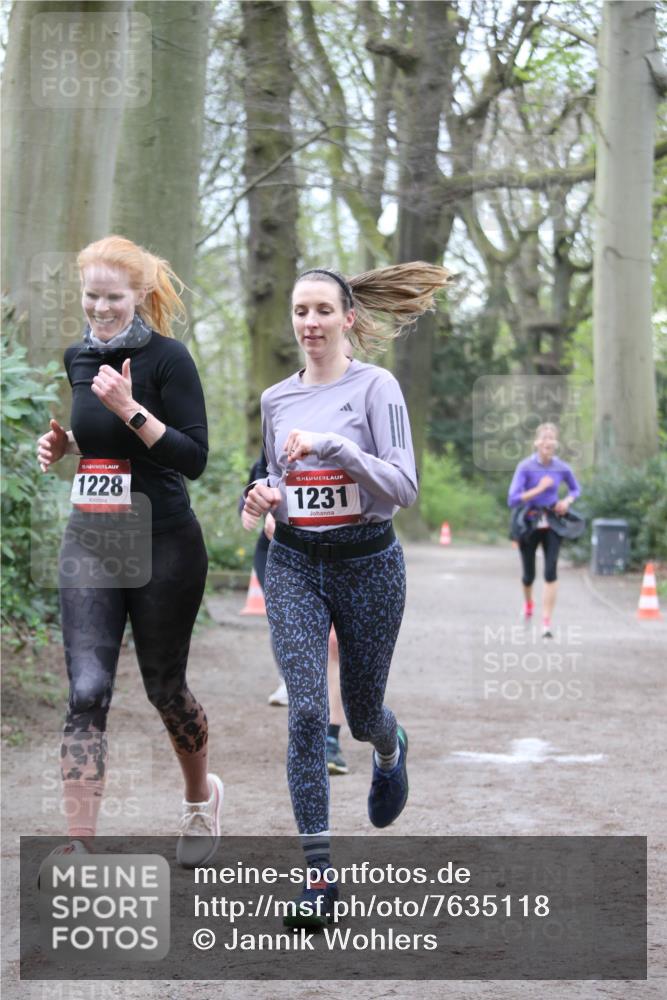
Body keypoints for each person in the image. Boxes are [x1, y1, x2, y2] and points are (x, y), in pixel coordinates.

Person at [243, 262, 453, 925]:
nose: (309, 323)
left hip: (369, 566)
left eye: (322, 311)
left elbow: (403, 488)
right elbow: (276, 480)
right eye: (300, 311)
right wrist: (263, 496)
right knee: (307, 713)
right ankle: (318, 881)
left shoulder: (375, 387)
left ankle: (390, 748)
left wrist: (337, 447)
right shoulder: (275, 399)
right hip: (295, 564)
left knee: (360, 718)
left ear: (347, 319)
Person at [36, 235, 222, 868]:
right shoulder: (77, 357)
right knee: (87, 690)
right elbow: (100, 444)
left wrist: (132, 410)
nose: (100, 309)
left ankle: (200, 798)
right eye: (91, 296)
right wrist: (66, 446)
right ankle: (80, 840)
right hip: (92, 533)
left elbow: (194, 458)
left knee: (164, 689)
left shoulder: (170, 360)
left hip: (163, 537)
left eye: (113, 297)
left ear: (138, 295)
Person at [507, 423, 581, 638]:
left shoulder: (562, 467)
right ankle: (529, 603)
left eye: (552, 438)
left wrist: (567, 500)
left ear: (556, 443)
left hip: (552, 522)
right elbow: (512, 499)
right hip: (529, 522)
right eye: (544, 437)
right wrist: (540, 488)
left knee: (551, 572)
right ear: (537, 442)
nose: (548, 441)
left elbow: (576, 488)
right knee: (528, 576)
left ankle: (546, 622)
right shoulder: (525, 467)